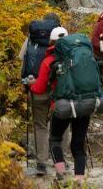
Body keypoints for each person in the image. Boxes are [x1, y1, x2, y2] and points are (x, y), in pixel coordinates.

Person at [28, 27, 91, 183]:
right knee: (78, 143)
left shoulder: (49, 60)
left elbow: (39, 88)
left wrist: (31, 84)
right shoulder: (81, 56)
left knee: (55, 139)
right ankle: (79, 180)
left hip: (62, 106)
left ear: (51, 41)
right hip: (84, 104)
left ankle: (61, 176)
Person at [20, 12, 69, 176]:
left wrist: (25, 85)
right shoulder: (62, 38)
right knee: (62, 124)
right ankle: (62, 161)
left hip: (36, 86)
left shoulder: (31, 38)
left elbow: (23, 60)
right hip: (59, 88)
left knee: (40, 125)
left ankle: (41, 162)